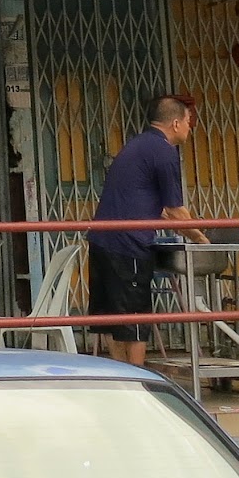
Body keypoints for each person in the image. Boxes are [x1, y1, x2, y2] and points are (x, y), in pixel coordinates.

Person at [89, 94, 206, 366]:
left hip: (101, 240)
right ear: (176, 123)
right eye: (189, 121)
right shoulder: (164, 152)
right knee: (136, 317)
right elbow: (176, 210)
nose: (191, 127)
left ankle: (120, 378)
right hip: (127, 244)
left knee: (112, 317)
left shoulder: (137, 145)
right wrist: (202, 238)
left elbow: (152, 203)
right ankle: (137, 380)